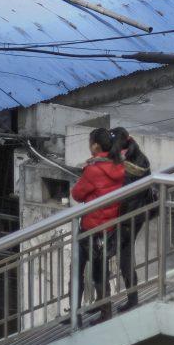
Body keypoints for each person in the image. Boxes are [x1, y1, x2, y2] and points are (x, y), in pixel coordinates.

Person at [71, 127, 125, 322]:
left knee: (77, 269)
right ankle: (105, 310)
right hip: (108, 227)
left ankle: (75, 315)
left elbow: (77, 194)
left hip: (91, 227)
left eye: (90, 142)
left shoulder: (93, 170)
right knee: (100, 271)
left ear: (95, 145)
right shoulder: (118, 164)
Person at [110, 127, 153, 309]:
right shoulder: (140, 157)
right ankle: (128, 298)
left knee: (122, 256)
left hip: (128, 216)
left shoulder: (125, 166)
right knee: (122, 255)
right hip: (138, 213)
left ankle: (129, 299)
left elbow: (121, 192)